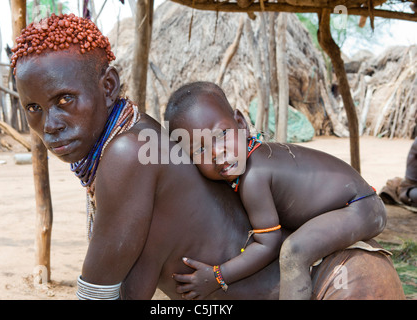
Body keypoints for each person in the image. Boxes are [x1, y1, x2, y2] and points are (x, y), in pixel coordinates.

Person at [12, 14, 403, 301]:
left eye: (65, 100)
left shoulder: (128, 150)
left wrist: (217, 275)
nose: (50, 125)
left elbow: (97, 291)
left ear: (109, 85)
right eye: (33, 109)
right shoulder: (138, 139)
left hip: (341, 284)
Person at [164, 81, 387, 300]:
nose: (216, 152)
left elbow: (267, 245)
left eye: (222, 134)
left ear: (241, 124)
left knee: (294, 251)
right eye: (200, 149)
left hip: (360, 207)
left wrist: (217, 276)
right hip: (351, 203)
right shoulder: (247, 164)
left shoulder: (254, 176)